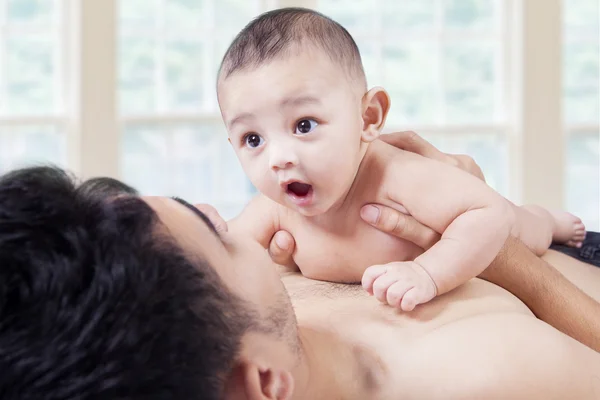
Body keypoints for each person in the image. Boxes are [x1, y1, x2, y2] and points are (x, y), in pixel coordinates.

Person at [1, 165, 599, 400]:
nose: (234, 216)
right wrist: (512, 259)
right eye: (219, 233)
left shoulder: (211, 325)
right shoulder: (485, 380)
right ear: (264, 379)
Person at [217, 7, 586, 311]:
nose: (278, 159)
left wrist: (428, 273)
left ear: (368, 117)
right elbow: (227, 250)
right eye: (253, 139)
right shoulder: (275, 207)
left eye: (303, 124)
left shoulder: (398, 176)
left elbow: (491, 214)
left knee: (526, 228)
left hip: (504, 226)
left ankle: (549, 220)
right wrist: (202, 234)